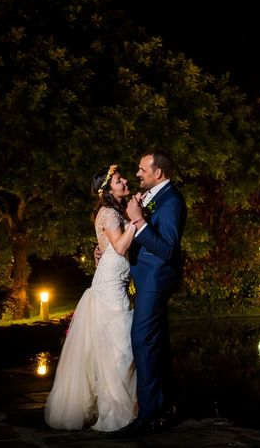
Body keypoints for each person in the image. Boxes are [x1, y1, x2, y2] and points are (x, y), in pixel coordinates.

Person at [44, 165, 139, 431]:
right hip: (110, 288)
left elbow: (109, 247)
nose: (125, 181)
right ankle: (118, 413)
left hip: (114, 284)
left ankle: (124, 408)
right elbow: (120, 248)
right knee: (120, 350)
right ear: (107, 189)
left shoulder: (113, 212)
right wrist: (136, 220)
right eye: (119, 180)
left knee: (119, 350)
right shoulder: (108, 212)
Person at [115, 150, 186, 435]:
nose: (137, 173)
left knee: (142, 340)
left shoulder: (172, 201)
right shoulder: (151, 197)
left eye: (142, 169)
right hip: (145, 277)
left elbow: (167, 249)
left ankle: (148, 416)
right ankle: (164, 406)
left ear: (158, 172)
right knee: (156, 343)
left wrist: (139, 220)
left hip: (156, 279)